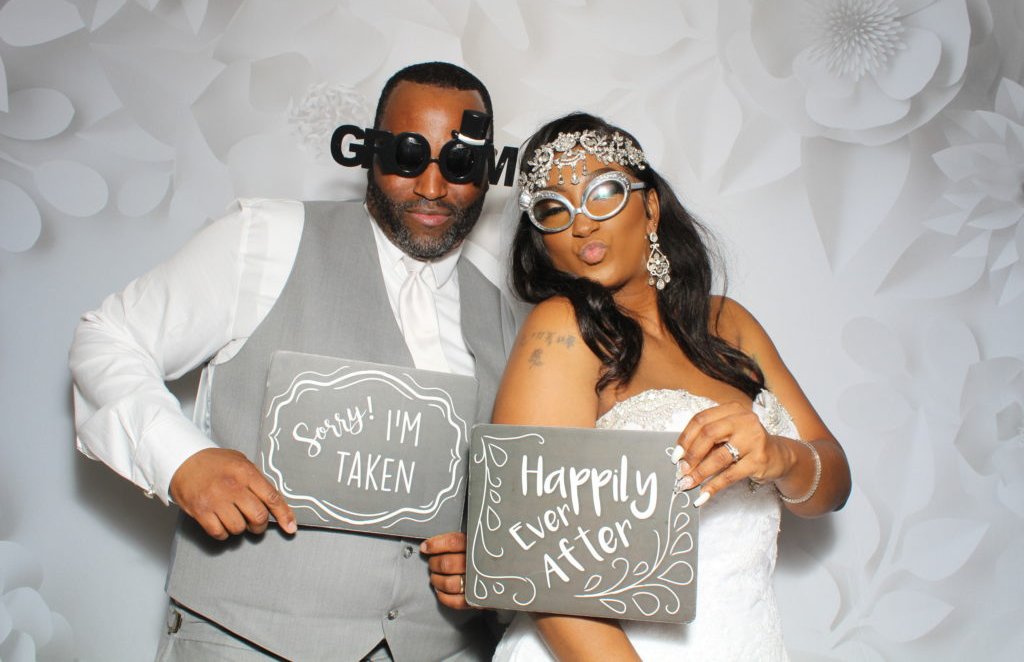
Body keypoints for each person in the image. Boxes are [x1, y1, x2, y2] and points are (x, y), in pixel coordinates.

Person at [69, 62, 518, 661]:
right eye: (407, 156)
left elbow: (507, 494)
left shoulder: (505, 310)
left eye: (459, 164)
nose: (432, 188)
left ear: (488, 172)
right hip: (247, 640)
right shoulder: (267, 237)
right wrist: (180, 459)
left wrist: (490, 565)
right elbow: (109, 337)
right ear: (369, 152)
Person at [489, 112, 851, 661]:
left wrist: (778, 455)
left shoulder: (730, 324)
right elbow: (534, 554)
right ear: (542, 237)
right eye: (553, 209)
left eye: (603, 192)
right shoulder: (561, 329)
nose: (582, 223)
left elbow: (834, 483)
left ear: (650, 206)